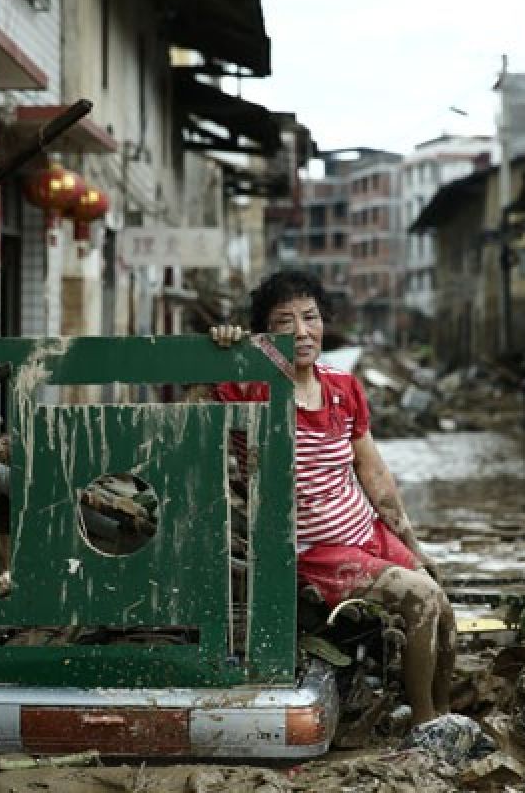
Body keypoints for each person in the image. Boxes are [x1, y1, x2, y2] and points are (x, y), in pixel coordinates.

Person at [210, 270, 455, 726]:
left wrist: (415, 547)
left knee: (441, 603)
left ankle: (444, 715)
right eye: (286, 322)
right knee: (419, 598)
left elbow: (375, 474)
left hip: (366, 532)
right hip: (312, 551)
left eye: (311, 317)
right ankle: (424, 726)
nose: (302, 332)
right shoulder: (246, 387)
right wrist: (223, 351)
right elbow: (191, 421)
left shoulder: (342, 386)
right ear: (266, 332)